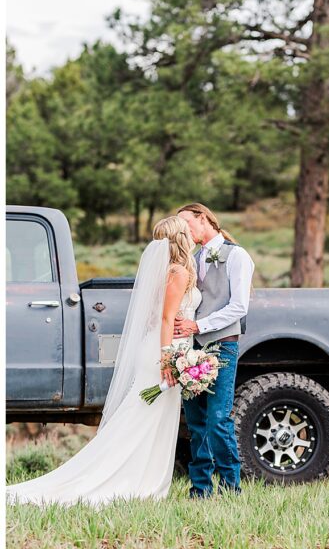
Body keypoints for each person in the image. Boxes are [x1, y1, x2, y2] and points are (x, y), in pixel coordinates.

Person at [7, 217, 201, 507]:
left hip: (161, 348)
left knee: (147, 416)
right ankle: (136, 481)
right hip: (165, 351)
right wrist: (168, 357)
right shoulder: (179, 272)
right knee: (146, 417)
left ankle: (141, 478)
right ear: (181, 238)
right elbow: (164, 318)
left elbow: (155, 316)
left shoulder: (165, 271)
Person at [173, 203, 255, 499]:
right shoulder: (193, 259)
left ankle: (231, 487)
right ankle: (201, 488)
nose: (184, 231)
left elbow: (238, 307)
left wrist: (198, 326)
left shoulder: (237, 256)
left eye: (186, 223)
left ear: (203, 218)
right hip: (191, 350)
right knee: (195, 421)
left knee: (218, 418)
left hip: (222, 346)